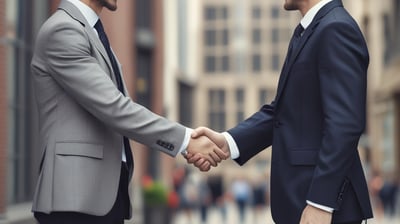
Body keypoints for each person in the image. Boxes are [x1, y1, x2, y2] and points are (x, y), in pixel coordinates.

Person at [30, 0, 228, 223]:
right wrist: (185, 141)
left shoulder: (92, 32)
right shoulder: (63, 30)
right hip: (74, 197)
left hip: (102, 195)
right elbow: (116, 108)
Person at [188, 0, 373, 223]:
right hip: (301, 201)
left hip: (324, 209)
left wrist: (321, 203)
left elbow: (345, 124)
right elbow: (282, 111)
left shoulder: (336, 28)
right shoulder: (310, 30)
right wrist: (227, 141)